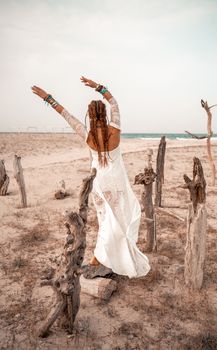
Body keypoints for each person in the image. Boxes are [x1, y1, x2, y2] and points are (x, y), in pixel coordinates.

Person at [31, 77, 150, 278]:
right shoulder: (115, 130)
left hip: (100, 186)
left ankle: (101, 258)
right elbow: (114, 103)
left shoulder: (87, 135)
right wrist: (99, 87)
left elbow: (65, 115)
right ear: (104, 115)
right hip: (117, 183)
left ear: (90, 116)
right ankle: (109, 257)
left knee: (105, 221)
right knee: (119, 220)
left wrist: (48, 98)